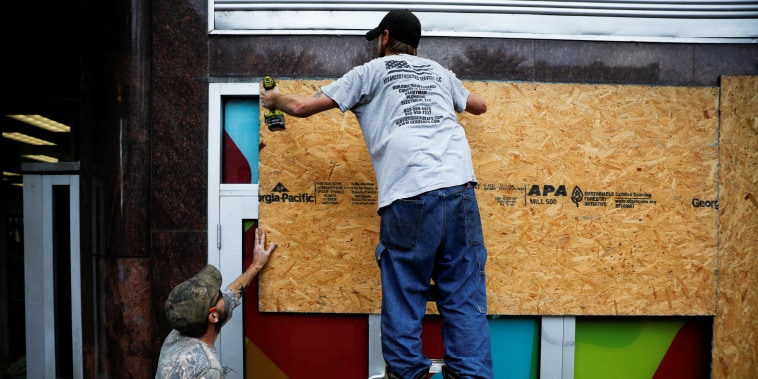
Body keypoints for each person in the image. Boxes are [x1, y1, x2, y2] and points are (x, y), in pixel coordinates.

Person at [259, 9, 493, 379]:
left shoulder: (370, 72)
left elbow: (302, 107)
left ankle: (407, 374)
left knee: (404, 293)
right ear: (415, 44)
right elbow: (479, 105)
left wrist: (274, 100)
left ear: (385, 38)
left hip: (410, 195)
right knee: (463, 297)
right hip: (461, 191)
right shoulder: (438, 72)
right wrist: (449, 89)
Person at [155, 228, 277, 379]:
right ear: (212, 316)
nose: (224, 296)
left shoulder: (176, 335)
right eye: (219, 296)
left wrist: (256, 266)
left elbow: (230, 296)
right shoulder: (208, 369)